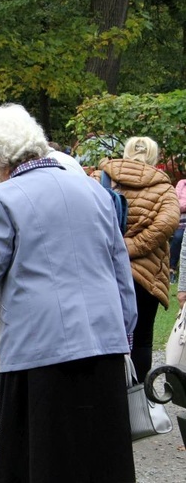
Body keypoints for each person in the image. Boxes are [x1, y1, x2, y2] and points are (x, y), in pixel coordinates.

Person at [0, 102, 137, 483]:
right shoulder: (94, 190)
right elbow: (121, 269)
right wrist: (124, 330)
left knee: (44, 458)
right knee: (100, 458)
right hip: (102, 341)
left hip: (42, 348)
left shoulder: (4, 197)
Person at [94, 136, 179, 381]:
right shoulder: (164, 189)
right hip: (147, 275)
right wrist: (131, 247)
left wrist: (117, 250)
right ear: (154, 157)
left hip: (105, 270)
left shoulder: (100, 180)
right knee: (142, 339)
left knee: (105, 336)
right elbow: (166, 225)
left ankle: (108, 393)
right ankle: (138, 397)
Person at [171, 178, 186, 282]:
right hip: (182, 222)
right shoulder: (182, 183)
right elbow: (176, 203)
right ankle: (172, 269)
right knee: (178, 237)